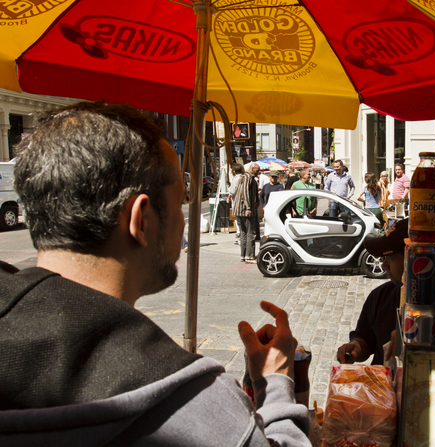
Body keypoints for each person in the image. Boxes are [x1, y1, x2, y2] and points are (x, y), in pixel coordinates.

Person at [0, 101, 310, 446]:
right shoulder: (196, 406)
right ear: (141, 220)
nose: (183, 217)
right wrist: (276, 383)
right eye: (181, 200)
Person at [336, 218, 407, 366]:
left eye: (392, 257)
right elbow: (366, 339)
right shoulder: (380, 296)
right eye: (384, 257)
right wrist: (356, 347)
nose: (384, 264)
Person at [233, 162, 260, 263]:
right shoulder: (248, 177)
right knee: (250, 233)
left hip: (239, 209)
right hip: (245, 210)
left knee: (243, 233)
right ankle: (249, 255)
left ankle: (243, 255)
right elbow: (245, 192)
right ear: (252, 169)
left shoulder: (242, 177)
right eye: (257, 171)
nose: (258, 173)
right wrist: (248, 207)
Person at [227, 163, 245, 244]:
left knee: (239, 222)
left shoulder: (235, 180)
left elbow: (232, 191)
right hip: (245, 203)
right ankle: (243, 238)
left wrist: (228, 195)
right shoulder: (245, 178)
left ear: (234, 171)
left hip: (237, 204)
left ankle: (241, 238)